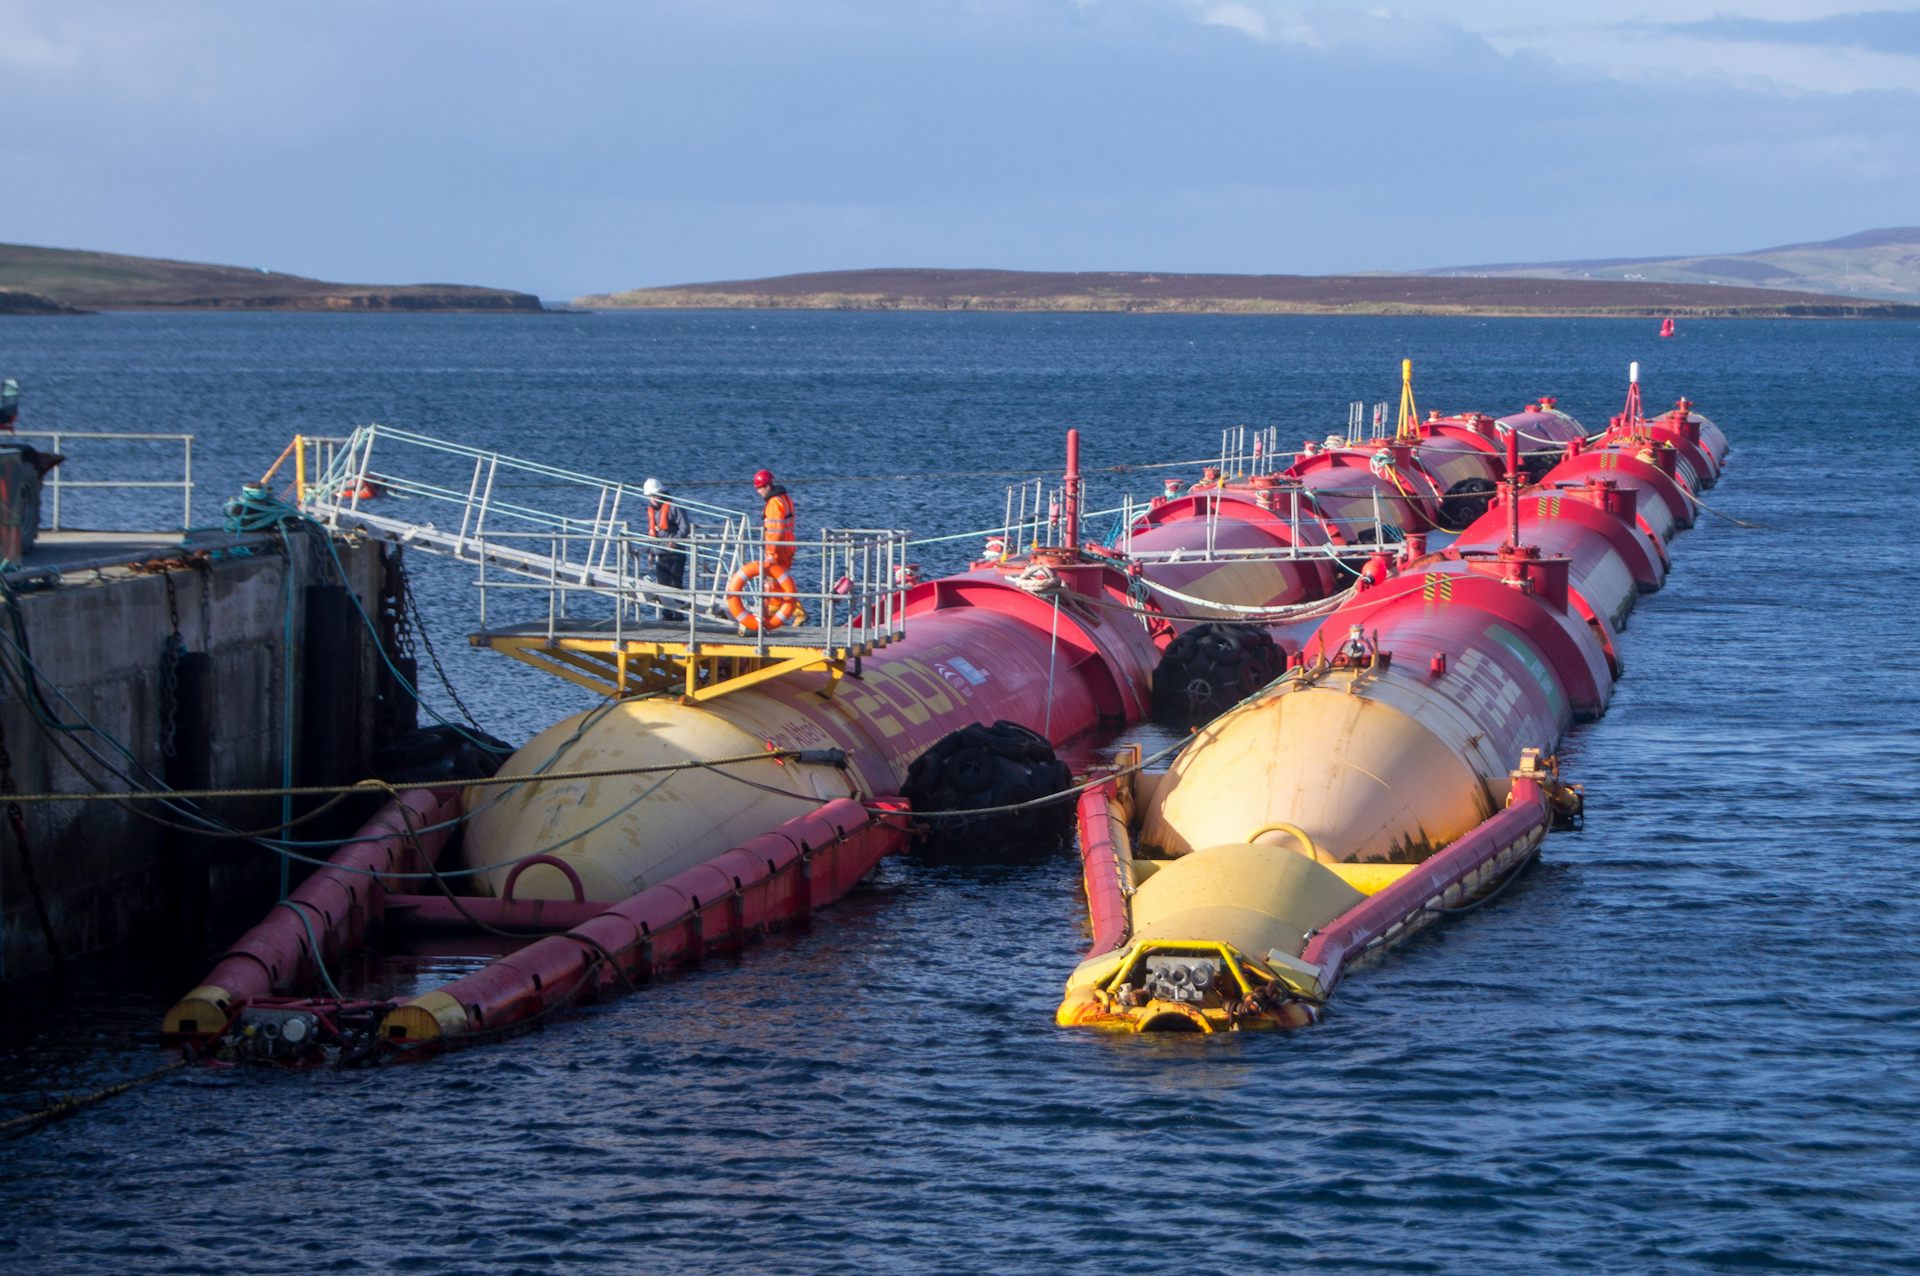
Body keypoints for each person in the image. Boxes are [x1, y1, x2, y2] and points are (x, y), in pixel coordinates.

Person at [642, 477, 690, 621]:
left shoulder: (675, 507)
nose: (653, 499)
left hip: (675, 555)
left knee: (675, 585)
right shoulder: (651, 511)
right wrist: (650, 552)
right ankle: (667, 615)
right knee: (662, 586)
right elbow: (652, 534)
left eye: (655, 495)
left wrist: (675, 541)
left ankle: (679, 615)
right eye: (650, 496)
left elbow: (685, 527)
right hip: (660, 555)